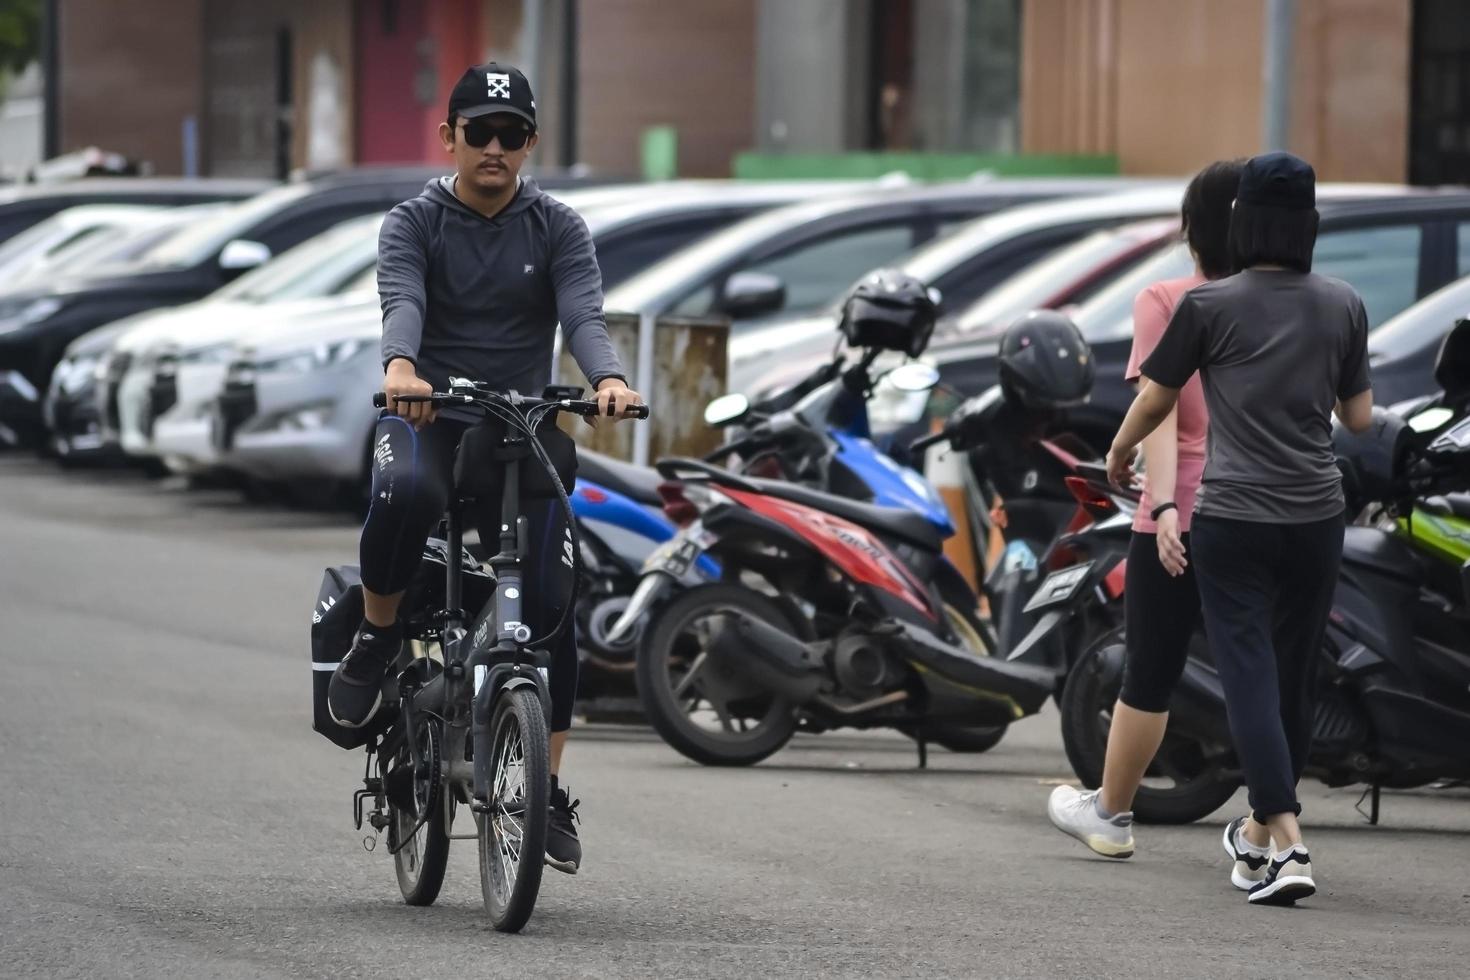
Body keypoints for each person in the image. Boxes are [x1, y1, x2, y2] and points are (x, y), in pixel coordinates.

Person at [326, 62, 643, 876]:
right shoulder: (414, 222)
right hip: (428, 414)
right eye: (480, 132)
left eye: (512, 134)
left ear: (531, 142)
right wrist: (403, 369)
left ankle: (548, 786)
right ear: (451, 138)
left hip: (517, 424)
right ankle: (378, 632)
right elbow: (403, 301)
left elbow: (583, 313)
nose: (495, 148)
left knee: (552, 596)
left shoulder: (558, 227)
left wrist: (606, 380)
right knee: (405, 490)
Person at [1102, 152, 1373, 906]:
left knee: (1247, 676)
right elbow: (1354, 419)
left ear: (1240, 224)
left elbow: (1156, 401)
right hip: (1317, 517)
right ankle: (1255, 838)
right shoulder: (1344, 302)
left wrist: (1119, 451)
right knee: (1292, 675)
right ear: (1309, 226)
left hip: (1234, 516)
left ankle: (1286, 841)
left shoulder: (1208, 306)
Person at [1047, 158, 1243, 858]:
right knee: (1261, 670)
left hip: (1185, 510)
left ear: (1193, 230)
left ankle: (1112, 813)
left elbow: (1160, 413)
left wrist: (1161, 505)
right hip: (1272, 511)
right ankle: (1271, 826)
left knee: (1152, 669)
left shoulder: (1167, 300)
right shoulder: (1288, 302)